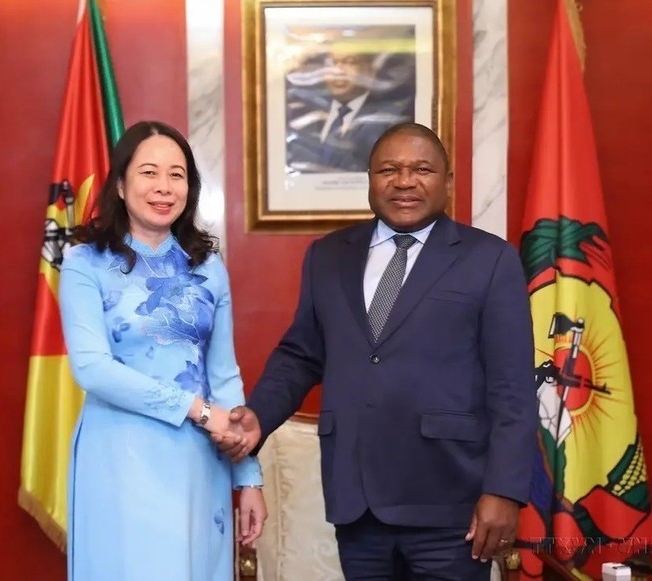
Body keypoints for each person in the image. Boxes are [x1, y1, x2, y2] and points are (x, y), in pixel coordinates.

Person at [215, 123, 537, 580]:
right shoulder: (328, 256)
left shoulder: (490, 259)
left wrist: (505, 490)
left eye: (421, 169)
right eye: (389, 169)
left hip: (451, 504)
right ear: (370, 179)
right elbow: (301, 355)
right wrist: (259, 415)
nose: (404, 181)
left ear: (447, 181)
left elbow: (513, 388)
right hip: (357, 502)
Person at [59, 120, 266, 580]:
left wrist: (248, 476)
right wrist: (196, 409)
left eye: (177, 175)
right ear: (120, 183)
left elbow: (225, 375)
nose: (164, 187)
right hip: (119, 457)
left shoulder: (207, 267)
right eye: (149, 172)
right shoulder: (83, 262)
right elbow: (92, 369)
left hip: (199, 461)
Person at [286, 42, 414, 174]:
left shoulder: (390, 120)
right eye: (331, 63)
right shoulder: (302, 117)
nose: (338, 70)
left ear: (370, 71)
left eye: (350, 61)